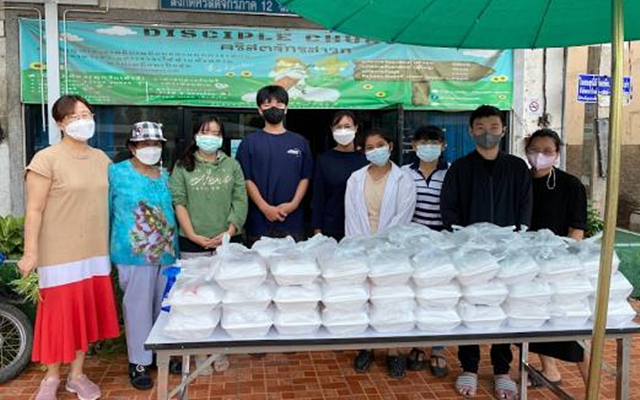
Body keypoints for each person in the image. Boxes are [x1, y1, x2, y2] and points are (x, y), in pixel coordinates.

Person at [18, 95, 120, 400]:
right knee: (58, 316)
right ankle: (51, 377)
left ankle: (77, 375)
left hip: (94, 251)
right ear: (60, 123)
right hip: (59, 253)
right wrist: (30, 253)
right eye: (74, 117)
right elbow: (34, 210)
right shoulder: (46, 159)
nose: (82, 121)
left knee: (83, 313)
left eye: (86, 114)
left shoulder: (102, 159)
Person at [440, 105, 532, 400]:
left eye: (493, 127)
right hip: (470, 253)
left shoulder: (516, 167)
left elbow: (525, 204)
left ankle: (502, 370)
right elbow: (448, 207)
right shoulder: (460, 168)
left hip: (507, 251)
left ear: (503, 130)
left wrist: (518, 234)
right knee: (472, 303)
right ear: (471, 132)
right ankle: (469, 366)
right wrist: (463, 239)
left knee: (504, 305)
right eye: (480, 127)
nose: (487, 133)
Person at [170, 115, 248, 374]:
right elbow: (178, 201)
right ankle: (200, 352)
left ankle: (220, 350)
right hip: (193, 242)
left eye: (216, 133)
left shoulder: (232, 165)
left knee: (224, 297)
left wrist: (229, 231)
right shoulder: (183, 166)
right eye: (206, 132)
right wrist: (192, 234)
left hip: (226, 242)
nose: (211, 137)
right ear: (195, 135)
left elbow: (240, 199)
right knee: (196, 298)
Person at [109, 121, 178, 390]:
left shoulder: (165, 175)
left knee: (164, 306)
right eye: (145, 143)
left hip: (167, 253)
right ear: (132, 147)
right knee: (137, 308)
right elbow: (105, 211)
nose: (152, 148)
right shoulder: (116, 173)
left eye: (156, 144)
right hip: (133, 254)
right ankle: (138, 362)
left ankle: (162, 354)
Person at [345, 128, 417, 379]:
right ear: (363, 152)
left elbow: (403, 216)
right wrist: (361, 246)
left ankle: (394, 351)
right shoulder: (355, 179)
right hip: (362, 247)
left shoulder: (403, 179)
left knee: (391, 298)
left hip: (392, 249)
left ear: (390, 146)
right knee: (365, 297)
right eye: (369, 147)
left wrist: (382, 245)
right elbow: (351, 216)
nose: (375, 150)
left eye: (380, 145)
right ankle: (366, 347)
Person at [525, 128, 589, 387]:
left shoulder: (570, 185)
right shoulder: (522, 181)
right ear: (526, 151)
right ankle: (549, 370)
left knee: (572, 328)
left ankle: (591, 384)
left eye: (547, 151)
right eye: (534, 150)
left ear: (557, 153)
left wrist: (565, 264)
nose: (540, 155)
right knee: (538, 320)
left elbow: (577, 229)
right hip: (527, 264)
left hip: (560, 265)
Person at [236, 85, 313, 245]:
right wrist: (265, 208)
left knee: (293, 261)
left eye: (279, 103)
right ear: (260, 110)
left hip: (292, 220)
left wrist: (293, 205)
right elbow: (246, 179)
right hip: (259, 222)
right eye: (268, 104)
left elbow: (305, 177)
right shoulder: (248, 143)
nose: (274, 107)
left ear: (286, 109)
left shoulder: (300, 142)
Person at [401, 125, 450, 377]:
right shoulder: (404, 173)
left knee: (439, 296)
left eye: (433, 142)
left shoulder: (452, 172)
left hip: (443, 244)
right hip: (413, 245)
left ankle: (439, 349)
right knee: (417, 294)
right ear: (414, 146)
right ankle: (418, 345)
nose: (427, 146)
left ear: (443, 146)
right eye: (422, 142)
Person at [312, 110, 367, 241]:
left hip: (362, 228)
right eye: (339, 127)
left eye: (347, 126)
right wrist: (317, 230)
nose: (343, 130)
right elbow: (318, 197)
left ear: (356, 128)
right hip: (332, 228)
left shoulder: (366, 159)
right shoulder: (324, 160)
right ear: (332, 129)